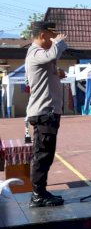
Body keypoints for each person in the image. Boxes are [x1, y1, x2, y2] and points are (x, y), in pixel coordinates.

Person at [25, 21, 68, 208]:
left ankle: (40, 191)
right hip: (44, 112)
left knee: (46, 154)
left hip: (48, 112)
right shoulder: (35, 53)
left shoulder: (42, 56)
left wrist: (58, 73)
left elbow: (49, 65)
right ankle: (37, 195)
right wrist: (59, 43)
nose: (55, 38)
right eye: (52, 35)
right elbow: (51, 54)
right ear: (43, 34)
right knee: (42, 154)